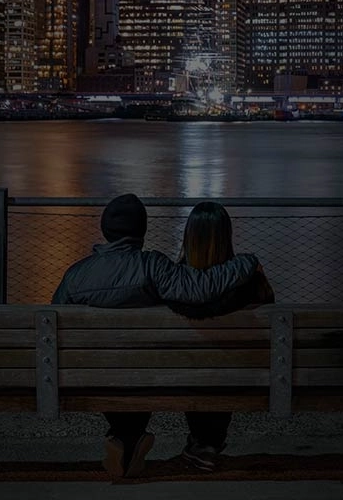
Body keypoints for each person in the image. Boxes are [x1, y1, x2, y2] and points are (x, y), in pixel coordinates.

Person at [51, 194, 263, 479]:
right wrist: (245, 263)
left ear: (104, 229)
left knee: (120, 369)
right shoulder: (152, 266)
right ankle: (133, 440)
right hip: (148, 372)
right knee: (137, 369)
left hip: (94, 374)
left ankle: (125, 438)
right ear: (142, 230)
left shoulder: (75, 275)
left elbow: (53, 325)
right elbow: (199, 289)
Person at [165, 202, 276, 472]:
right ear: (227, 236)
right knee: (223, 361)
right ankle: (207, 444)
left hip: (182, 376)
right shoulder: (252, 283)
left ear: (188, 236)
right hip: (240, 375)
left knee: (197, 362)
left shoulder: (171, 284)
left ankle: (202, 443)